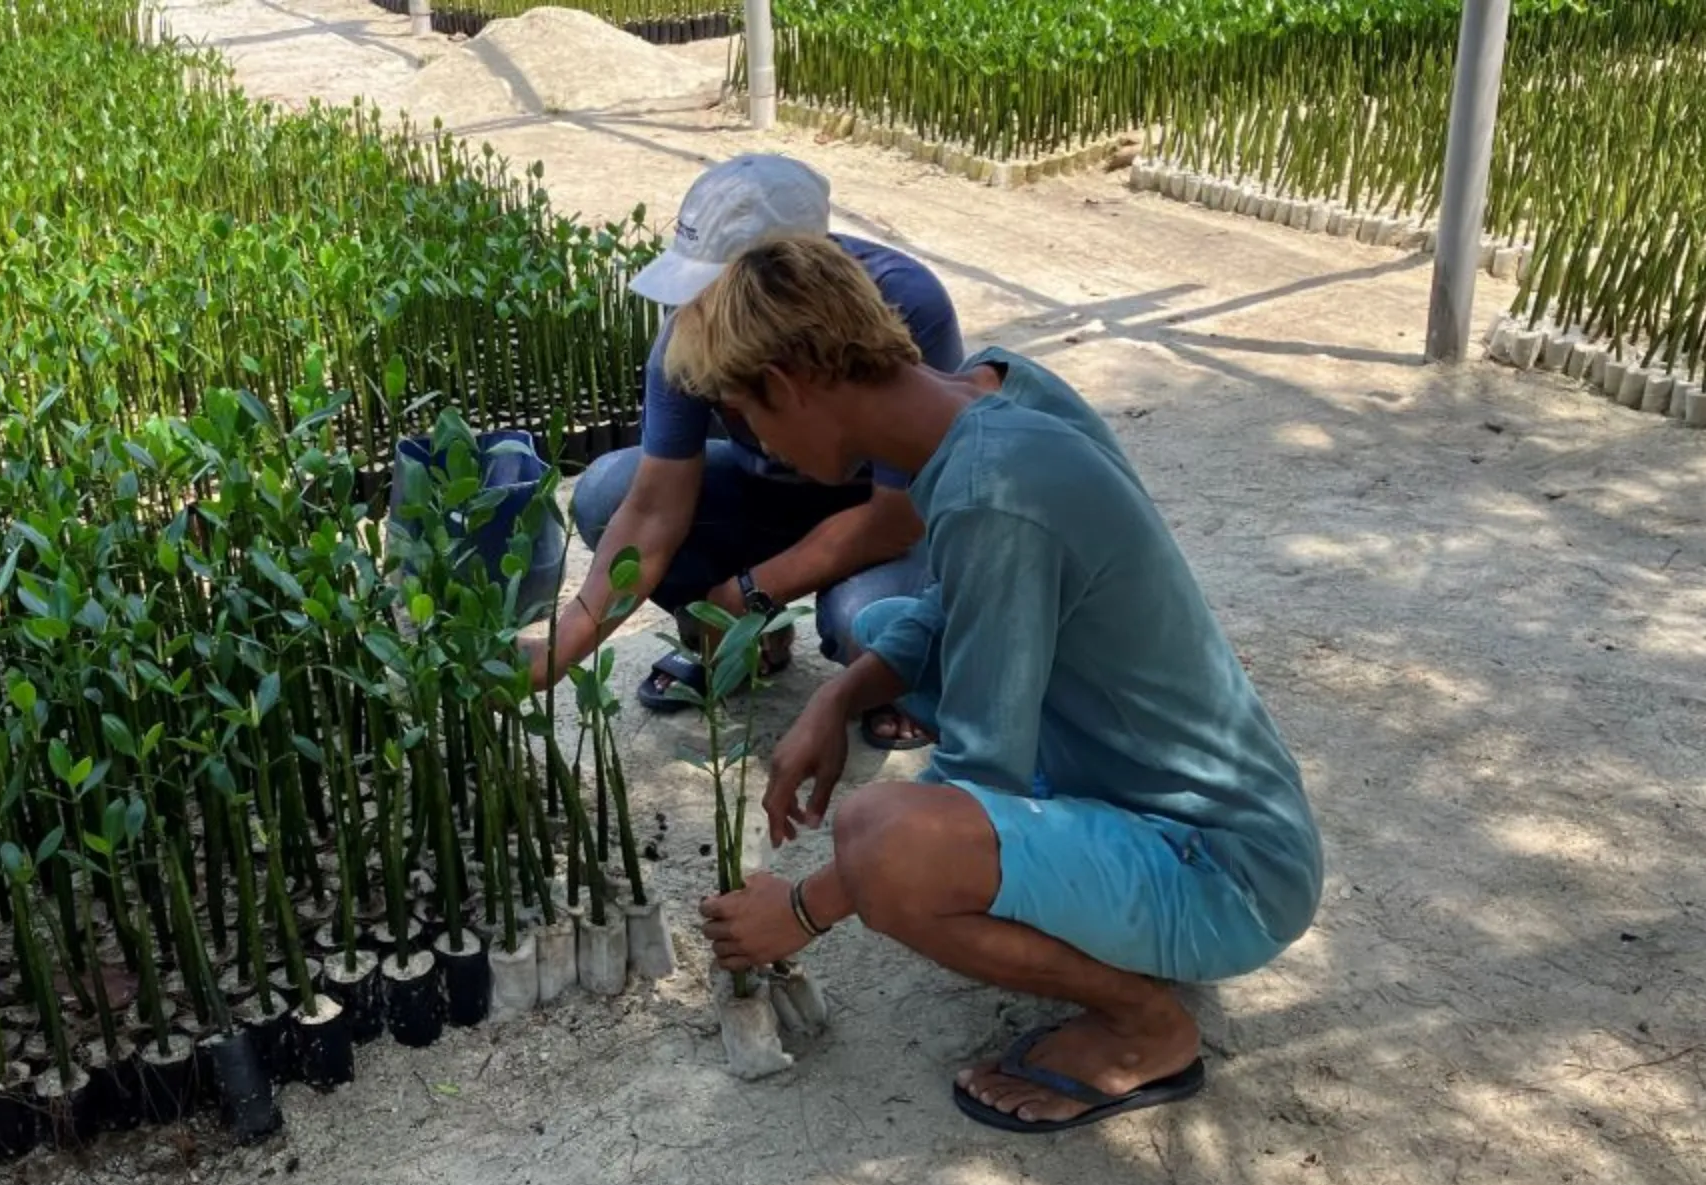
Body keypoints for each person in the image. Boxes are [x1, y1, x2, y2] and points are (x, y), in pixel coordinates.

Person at [678, 237, 1322, 1134]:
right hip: (1206, 813)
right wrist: (837, 697)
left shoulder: (991, 493)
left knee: (887, 843)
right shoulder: (1002, 388)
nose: (759, 443)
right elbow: (947, 607)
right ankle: (1125, 937)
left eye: (747, 415)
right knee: (879, 637)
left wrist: (802, 906)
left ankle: (1147, 1030)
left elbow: (984, 771)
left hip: (1228, 874)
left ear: (786, 385)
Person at [523, 154, 962, 751]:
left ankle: (878, 680)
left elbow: (897, 516)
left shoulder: (906, 305)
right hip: (768, 498)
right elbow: (653, 512)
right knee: (608, 491)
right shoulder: (692, 329)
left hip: (884, 512)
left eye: (715, 288)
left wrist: (747, 591)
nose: (694, 311)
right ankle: (751, 645)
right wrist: (559, 647)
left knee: (870, 621)